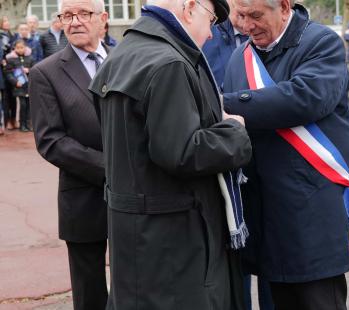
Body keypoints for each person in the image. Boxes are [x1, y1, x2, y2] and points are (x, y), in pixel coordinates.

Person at [88, 0, 252, 309]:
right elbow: (182, 151)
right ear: (190, 8)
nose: (212, 34)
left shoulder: (123, 53)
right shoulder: (169, 62)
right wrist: (235, 132)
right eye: (212, 19)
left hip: (136, 236)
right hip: (176, 243)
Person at [223, 0, 349, 309]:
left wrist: (225, 104)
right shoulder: (241, 57)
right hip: (264, 218)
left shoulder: (321, 42)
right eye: (240, 15)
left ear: (285, 7)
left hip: (310, 217)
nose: (247, 25)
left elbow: (305, 98)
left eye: (256, 16)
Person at [29, 0, 110, 308]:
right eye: (67, 15)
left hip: (134, 195)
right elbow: (50, 141)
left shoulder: (124, 61)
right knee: (89, 292)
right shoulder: (45, 72)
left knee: (137, 282)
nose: (75, 21)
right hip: (83, 199)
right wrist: (111, 167)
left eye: (84, 13)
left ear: (103, 18)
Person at [202, 4, 273, 309]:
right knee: (237, 258)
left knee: (272, 257)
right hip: (229, 158)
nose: (245, 22)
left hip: (268, 157)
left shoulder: (267, 33)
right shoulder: (207, 34)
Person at [5, 40, 34, 132]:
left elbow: (36, 68)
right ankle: (22, 125)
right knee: (22, 105)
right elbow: (8, 73)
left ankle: (29, 124)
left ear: (25, 47)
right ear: (14, 48)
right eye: (18, 48)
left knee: (30, 105)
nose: (20, 49)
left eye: (22, 47)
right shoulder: (11, 59)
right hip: (19, 86)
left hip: (29, 85)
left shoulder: (30, 58)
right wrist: (15, 82)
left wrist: (29, 70)